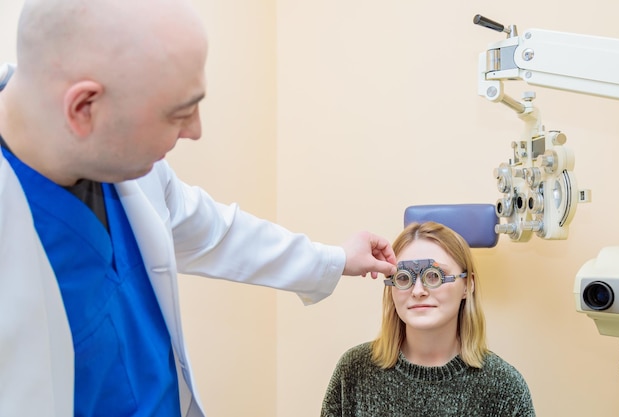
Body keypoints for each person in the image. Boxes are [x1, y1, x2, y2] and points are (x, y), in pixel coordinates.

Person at [0, 1, 397, 416]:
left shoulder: (127, 169)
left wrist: (335, 259)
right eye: (179, 113)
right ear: (84, 108)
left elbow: (219, 234)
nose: (195, 131)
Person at [321, 221, 536, 416]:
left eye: (434, 276)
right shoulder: (354, 371)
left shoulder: (504, 387)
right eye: (403, 277)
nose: (418, 290)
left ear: (467, 285)